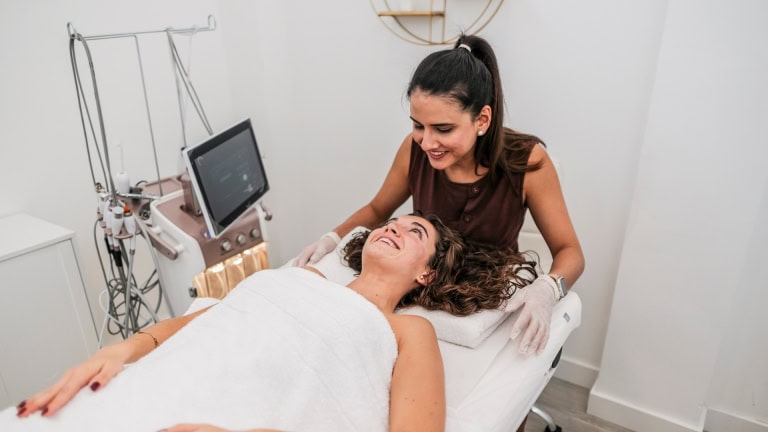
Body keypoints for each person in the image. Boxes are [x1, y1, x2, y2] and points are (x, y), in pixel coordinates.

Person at [7, 213, 531, 432]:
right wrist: (119, 352)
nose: (393, 228)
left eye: (414, 232)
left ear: (427, 273)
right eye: (393, 221)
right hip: (149, 386)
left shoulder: (406, 330)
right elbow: (211, 322)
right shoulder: (292, 279)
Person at [294, 34, 585, 359]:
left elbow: (569, 251)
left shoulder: (528, 164)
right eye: (418, 125)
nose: (427, 142)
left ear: (482, 120)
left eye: (443, 129)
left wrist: (547, 289)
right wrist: (333, 237)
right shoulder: (414, 150)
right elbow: (378, 208)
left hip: (490, 299)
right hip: (428, 292)